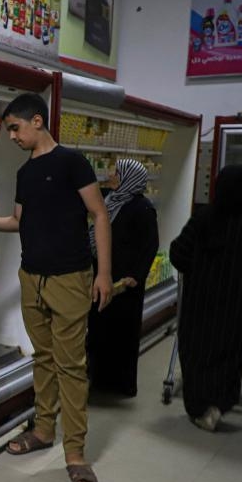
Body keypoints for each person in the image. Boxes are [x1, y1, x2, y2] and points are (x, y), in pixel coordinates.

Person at [0, 93, 113, 482]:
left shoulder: (72, 162)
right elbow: (17, 221)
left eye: (15, 127)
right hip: (32, 276)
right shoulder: (26, 173)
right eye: (9, 129)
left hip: (70, 277)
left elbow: (99, 214)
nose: (12, 135)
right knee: (44, 358)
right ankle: (44, 430)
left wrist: (104, 273)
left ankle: (76, 454)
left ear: (37, 120)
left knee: (71, 365)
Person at [169, 164, 242, 431]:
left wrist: (196, 267)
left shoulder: (204, 218)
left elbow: (178, 253)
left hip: (200, 302)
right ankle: (219, 402)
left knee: (195, 350)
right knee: (230, 351)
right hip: (237, 303)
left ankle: (200, 407)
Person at [86, 159, 159, 397]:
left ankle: (120, 385)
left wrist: (135, 276)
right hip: (101, 276)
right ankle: (97, 380)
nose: (111, 175)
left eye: (116, 172)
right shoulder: (108, 200)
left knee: (121, 335)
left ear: (129, 177)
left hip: (125, 284)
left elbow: (149, 246)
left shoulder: (142, 208)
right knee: (98, 330)